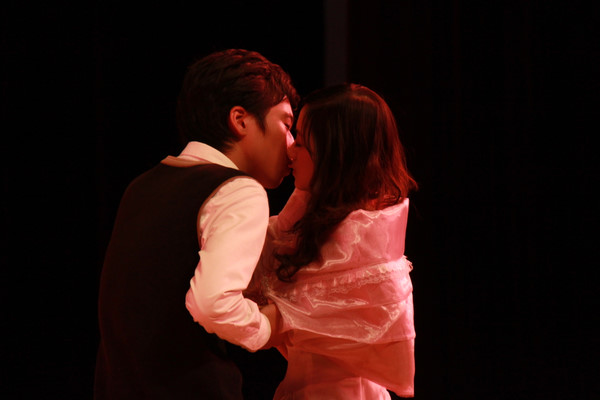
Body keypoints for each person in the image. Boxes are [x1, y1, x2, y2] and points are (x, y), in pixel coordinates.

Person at [94, 49, 299, 400]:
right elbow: (213, 303)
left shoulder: (143, 184)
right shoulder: (238, 189)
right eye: (286, 124)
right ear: (240, 120)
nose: (292, 146)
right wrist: (271, 326)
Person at [250, 83, 418, 399]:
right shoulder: (308, 214)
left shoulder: (361, 237)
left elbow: (286, 316)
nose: (291, 151)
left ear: (335, 156)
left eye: (302, 142)